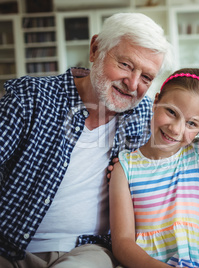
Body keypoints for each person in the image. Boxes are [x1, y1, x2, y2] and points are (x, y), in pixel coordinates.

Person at [0, 12, 173, 268]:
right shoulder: (30, 98)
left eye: (146, 77)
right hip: (10, 245)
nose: (132, 84)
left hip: (88, 250)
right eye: (125, 64)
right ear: (95, 49)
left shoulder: (149, 115)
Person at [109, 68, 199, 267]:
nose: (176, 129)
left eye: (192, 123)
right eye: (171, 112)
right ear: (156, 101)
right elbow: (122, 243)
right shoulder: (125, 168)